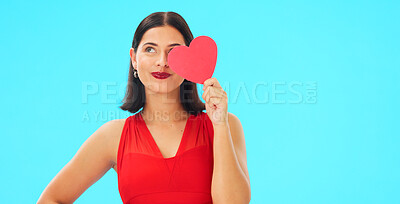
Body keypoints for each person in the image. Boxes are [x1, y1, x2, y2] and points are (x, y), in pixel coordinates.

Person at [37, 11, 250, 204]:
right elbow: (51, 199)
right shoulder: (113, 136)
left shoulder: (226, 125)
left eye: (173, 51)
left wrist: (219, 124)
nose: (162, 61)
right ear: (134, 59)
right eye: (150, 49)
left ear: (189, 62)